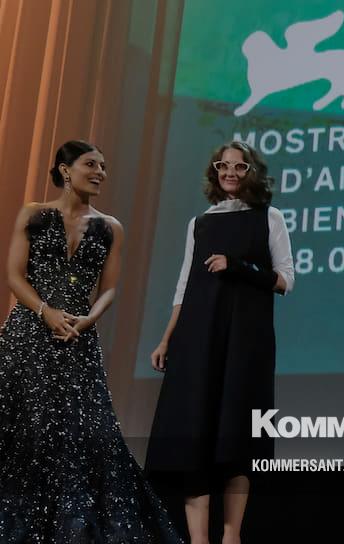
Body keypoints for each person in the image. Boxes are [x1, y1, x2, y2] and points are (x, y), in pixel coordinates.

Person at [0, 140, 182, 542]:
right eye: (91, 164)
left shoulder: (111, 226)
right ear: (66, 170)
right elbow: (14, 275)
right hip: (27, 337)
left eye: (104, 166)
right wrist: (45, 311)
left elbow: (109, 289)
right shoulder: (34, 214)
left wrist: (87, 320)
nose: (100, 172)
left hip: (77, 342)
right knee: (23, 428)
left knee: (81, 435)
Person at [145, 141, 294, 544]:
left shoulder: (269, 217)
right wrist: (166, 339)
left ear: (251, 172)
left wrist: (238, 267)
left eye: (239, 166)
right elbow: (184, 286)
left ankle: (231, 536)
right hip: (197, 338)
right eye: (223, 165)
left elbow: (285, 280)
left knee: (236, 437)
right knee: (194, 435)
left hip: (245, 340)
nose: (229, 172)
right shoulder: (200, 223)